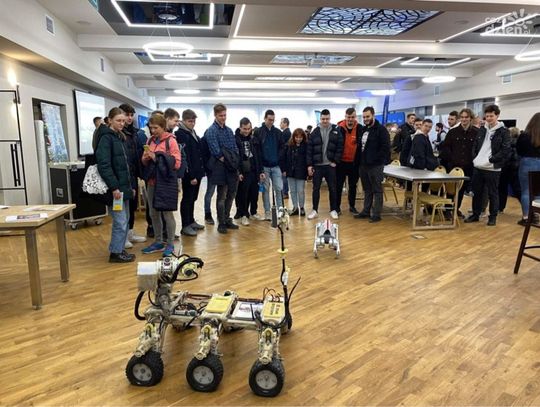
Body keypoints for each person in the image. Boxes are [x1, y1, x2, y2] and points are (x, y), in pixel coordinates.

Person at [95, 107, 135, 263]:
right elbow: (104, 165)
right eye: (118, 120)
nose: (122, 123)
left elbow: (125, 165)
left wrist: (129, 186)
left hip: (123, 187)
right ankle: (116, 253)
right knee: (120, 221)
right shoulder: (106, 138)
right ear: (110, 120)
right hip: (116, 189)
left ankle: (120, 249)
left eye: (123, 121)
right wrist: (114, 187)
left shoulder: (119, 136)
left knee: (126, 219)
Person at [141, 114, 181, 256]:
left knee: (167, 213)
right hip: (152, 182)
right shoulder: (150, 140)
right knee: (153, 213)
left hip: (166, 183)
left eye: (156, 128)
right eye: (151, 128)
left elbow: (177, 163)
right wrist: (145, 158)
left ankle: (170, 244)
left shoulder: (171, 141)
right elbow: (144, 162)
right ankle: (158, 242)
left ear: (163, 127)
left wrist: (156, 157)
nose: (153, 131)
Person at [465, 104, 510, 226]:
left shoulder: (503, 131)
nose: (489, 118)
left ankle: (492, 217)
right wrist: (475, 157)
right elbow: (476, 144)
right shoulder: (482, 129)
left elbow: (505, 149)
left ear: (497, 115)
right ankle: (475, 214)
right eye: (487, 116)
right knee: (477, 192)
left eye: (491, 116)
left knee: (492, 193)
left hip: (492, 168)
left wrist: (492, 159)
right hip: (478, 166)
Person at [205, 103, 240, 234]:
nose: (223, 118)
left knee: (231, 194)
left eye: (225, 115)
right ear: (215, 115)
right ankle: (221, 222)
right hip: (220, 167)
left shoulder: (229, 130)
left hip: (232, 166)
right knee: (222, 196)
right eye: (221, 115)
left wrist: (234, 160)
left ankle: (226, 218)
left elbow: (234, 147)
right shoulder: (211, 131)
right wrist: (229, 159)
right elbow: (216, 152)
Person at [354, 107, 391, 223]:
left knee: (377, 190)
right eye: (364, 117)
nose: (365, 119)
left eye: (368, 116)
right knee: (367, 190)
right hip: (363, 165)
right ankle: (366, 211)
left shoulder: (381, 130)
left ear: (373, 115)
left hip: (375, 166)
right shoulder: (363, 129)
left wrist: (377, 160)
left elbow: (385, 148)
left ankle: (376, 214)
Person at [306, 109, 344, 220]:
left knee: (333, 188)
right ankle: (314, 210)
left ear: (330, 118)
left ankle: (333, 210)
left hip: (330, 166)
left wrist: (335, 161)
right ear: (320, 119)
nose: (325, 121)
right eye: (323, 119)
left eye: (327, 119)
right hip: (317, 166)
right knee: (315, 189)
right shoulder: (315, 132)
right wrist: (310, 165)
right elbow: (309, 150)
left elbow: (340, 147)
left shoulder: (336, 131)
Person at [440, 108, 478, 217]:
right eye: (462, 117)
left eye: (466, 117)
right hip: (453, 166)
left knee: (462, 190)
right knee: (450, 189)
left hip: (468, 167)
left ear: (470, 118)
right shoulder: (453, 132)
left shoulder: (476, 132)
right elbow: (446, 148)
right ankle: (448, 210)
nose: (464, 119)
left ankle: (456, 209)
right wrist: (452, 159)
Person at [118, 103, 147, 249]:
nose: (129, 118)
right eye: (126, 115)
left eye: (131, 115)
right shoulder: (117, 133)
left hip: (133, 175)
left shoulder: (134, 133)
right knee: (121, 209)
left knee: (132, 205)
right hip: (122, 177)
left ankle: (130, 233)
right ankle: (122, 238)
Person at [175, 109, 206, 236]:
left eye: (193, 121)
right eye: (189, 121)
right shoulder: (180, 134)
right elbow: (185, 157)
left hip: (197, 172)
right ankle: (185, 225)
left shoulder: (192, 132)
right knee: (187, 199)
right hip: (189, 174)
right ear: (183, 121)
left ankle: (191, 221)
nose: (192, 123)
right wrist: (191, 175)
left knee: (193, 198)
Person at [253, 110, 285, 221]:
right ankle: (267, 212)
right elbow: (256, 150)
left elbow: (282, 147)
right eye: (269, 119)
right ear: (265, 118)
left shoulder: (278, 132)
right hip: (264, 167)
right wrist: (260, 169)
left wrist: (278, 157)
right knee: (265, 190)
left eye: (273, 120)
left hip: (276, 166)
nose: (271, 122)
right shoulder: (258, 132)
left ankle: (281, 211)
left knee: (279, 188)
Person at [235, 117, 261, 226]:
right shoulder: (235, 139)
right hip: (243, 171)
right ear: (240, 127)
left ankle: (253, 212)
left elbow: (258, 155)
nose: (247, 131)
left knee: (254, 192)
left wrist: (260, 171)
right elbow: (235, 157)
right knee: (243, 194)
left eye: (249, 129)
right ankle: (244, 215)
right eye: (244, 129)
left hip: (254, 170)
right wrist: (238, 172)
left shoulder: (253, 139)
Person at [516, 113, 540, 225]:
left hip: (527, 163)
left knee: (526, 191)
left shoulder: (524, 135)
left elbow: (519, 150)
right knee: (538, 192)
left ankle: (526, 217)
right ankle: (537, 215)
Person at [336, 107, 360, 215]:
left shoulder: (360, 128)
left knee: (353, 186)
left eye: (352, 117)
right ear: (345, 117)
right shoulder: (338, 128)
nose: (350, 119)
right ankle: (337, 207)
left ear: (355, 117)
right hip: (341, 163)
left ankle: (352, 206)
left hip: (354, 163)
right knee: (338, 186)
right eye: (348, 117)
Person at [284, 128, 308, 216]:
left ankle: (302, 207)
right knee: (292, 191)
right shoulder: (289, 145)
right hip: (290, 172)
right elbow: (285, 158)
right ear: (293, 137)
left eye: (300, 137)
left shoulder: (306, 146)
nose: (298, 139)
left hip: (301, 172)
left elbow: (307, 159)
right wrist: (284, 170)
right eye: (296, 137)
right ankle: (295, 208)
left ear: (303, 137)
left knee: (300, 191)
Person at [498, 127, 521, 214]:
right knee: (517, 190)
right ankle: (527, 208)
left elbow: (507, 156)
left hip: (506, 168)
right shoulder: (520, 143)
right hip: (516, 169)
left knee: (502, 189)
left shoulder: (507, 143)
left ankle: (500, 208)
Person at [280, 117, 292, 199]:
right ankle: (284, 192)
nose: (280, 124)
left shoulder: (286, 133)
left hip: (285, 157)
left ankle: (285, 192)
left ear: (285, 123)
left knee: (284, 175)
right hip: (284, 157)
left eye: (281, 122)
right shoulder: (286, 132)